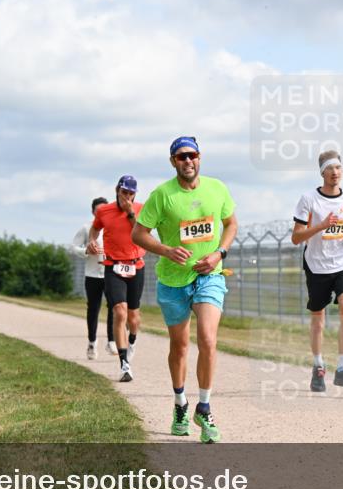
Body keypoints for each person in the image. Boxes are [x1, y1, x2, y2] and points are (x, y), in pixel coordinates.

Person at [132, 137, 237, 443]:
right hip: (173, 280)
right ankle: (180, 404)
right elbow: (138, 234)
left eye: (192, 155)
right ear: (173, 162)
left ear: (199, 158)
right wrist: (165, 250)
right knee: (179, 346)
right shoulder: (162, 195)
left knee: (207, 338)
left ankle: (204, 407)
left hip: (210, 275)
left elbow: (231, 223)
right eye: (181, 157)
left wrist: (220, 254)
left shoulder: (217, 188)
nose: (187, 161)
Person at [291, 150, 343, 392]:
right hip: (316, 265)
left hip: (342, 262)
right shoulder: (309, 199)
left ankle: (342, 369)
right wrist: (321, 226)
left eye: (338, 168)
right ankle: (318, 366)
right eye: (330, 168)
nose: (335, 172)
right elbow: (296, 237)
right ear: (322, 172)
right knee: (318, 319)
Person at [90, 176, 146, 382]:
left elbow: (141, 231)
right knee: (119, 312)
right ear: (117, 190)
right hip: (113, 266)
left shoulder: (141, 209)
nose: (127, 197)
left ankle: (132, 341)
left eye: (131, 194)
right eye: (124, 193)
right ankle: (124, 365)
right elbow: (95, 228)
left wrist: (130, 212)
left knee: (133, 317)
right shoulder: (104, 211)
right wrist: (91, 241)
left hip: (135, 265)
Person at [72, 197, 115, 361]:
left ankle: (111, 341)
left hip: (111, 273)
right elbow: (74, 247)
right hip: (92, 275)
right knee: (93, 309)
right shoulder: (86, 228)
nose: (101, 214)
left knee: (113, 306)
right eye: (98, 211)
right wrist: (86, 251)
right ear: (93, 212)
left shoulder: (112, 227)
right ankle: (92, 342)